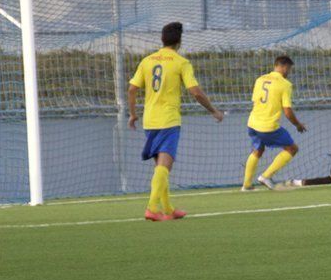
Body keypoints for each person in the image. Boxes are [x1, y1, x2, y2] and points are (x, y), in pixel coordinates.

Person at [128, 21, 224, 221]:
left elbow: (132, 89)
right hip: (169, 121)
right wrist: (214, 110)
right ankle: (152, 208)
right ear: (179, 41)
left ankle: (168, 210)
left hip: (150, 120)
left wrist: (132, 113)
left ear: (162, 39)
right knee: (165, 166)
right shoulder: (181, 62)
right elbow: (195, 92)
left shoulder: (147, 61)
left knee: (160, 168)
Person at [242, 56, 307, 190]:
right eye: (289, 69)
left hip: (252, 123)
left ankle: (246, 185)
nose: (289, 72)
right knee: (292, 148)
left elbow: (256, 100)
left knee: (257, 150)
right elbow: (287, 111)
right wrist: (298, 125)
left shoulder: (260, 79)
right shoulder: (285, 84)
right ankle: (266, 176)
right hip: (268, 126)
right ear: (284, 67)